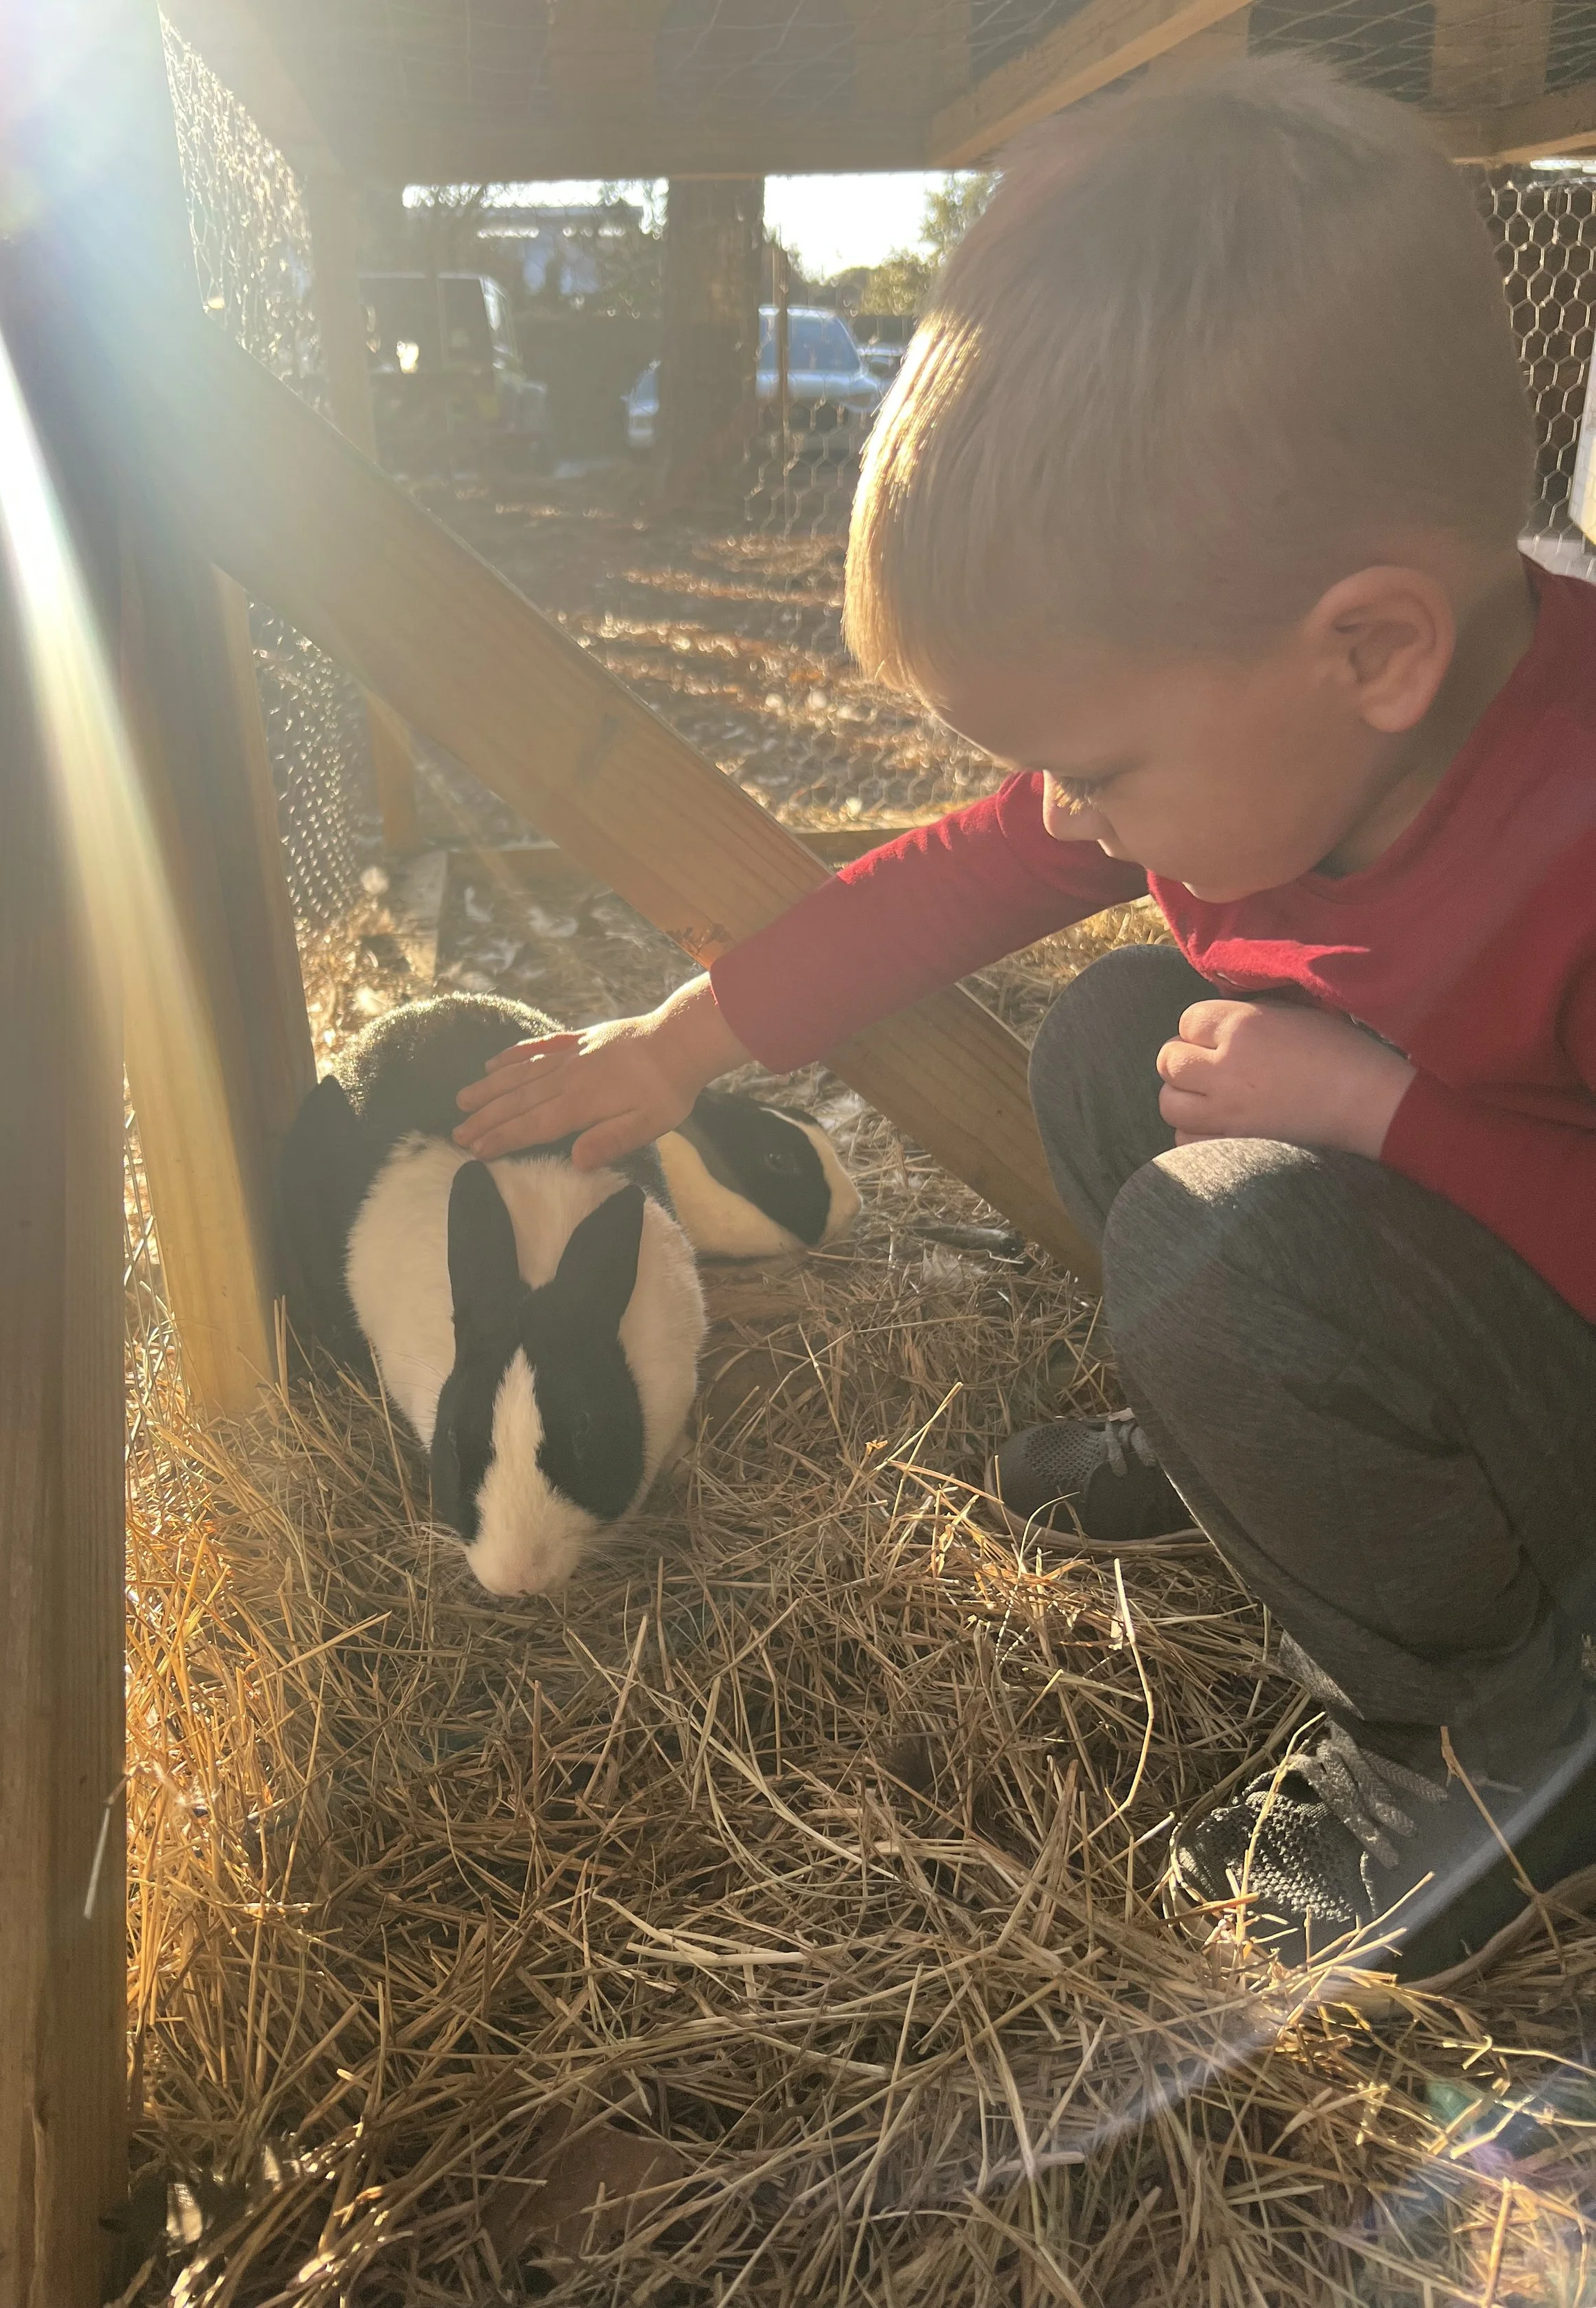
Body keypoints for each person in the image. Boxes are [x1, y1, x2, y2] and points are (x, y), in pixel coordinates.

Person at [452, 57, 1596, 1989]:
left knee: (1213, 1229)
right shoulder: (1285, 726)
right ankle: (1288, 1465)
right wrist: (678, 1041)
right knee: (1112, 1035)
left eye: (1095, 760)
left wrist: (1380, 1114)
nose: (1062, 812)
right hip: (1467, 1269)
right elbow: (964, 872)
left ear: (1373, 648)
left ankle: (1489, 1726)